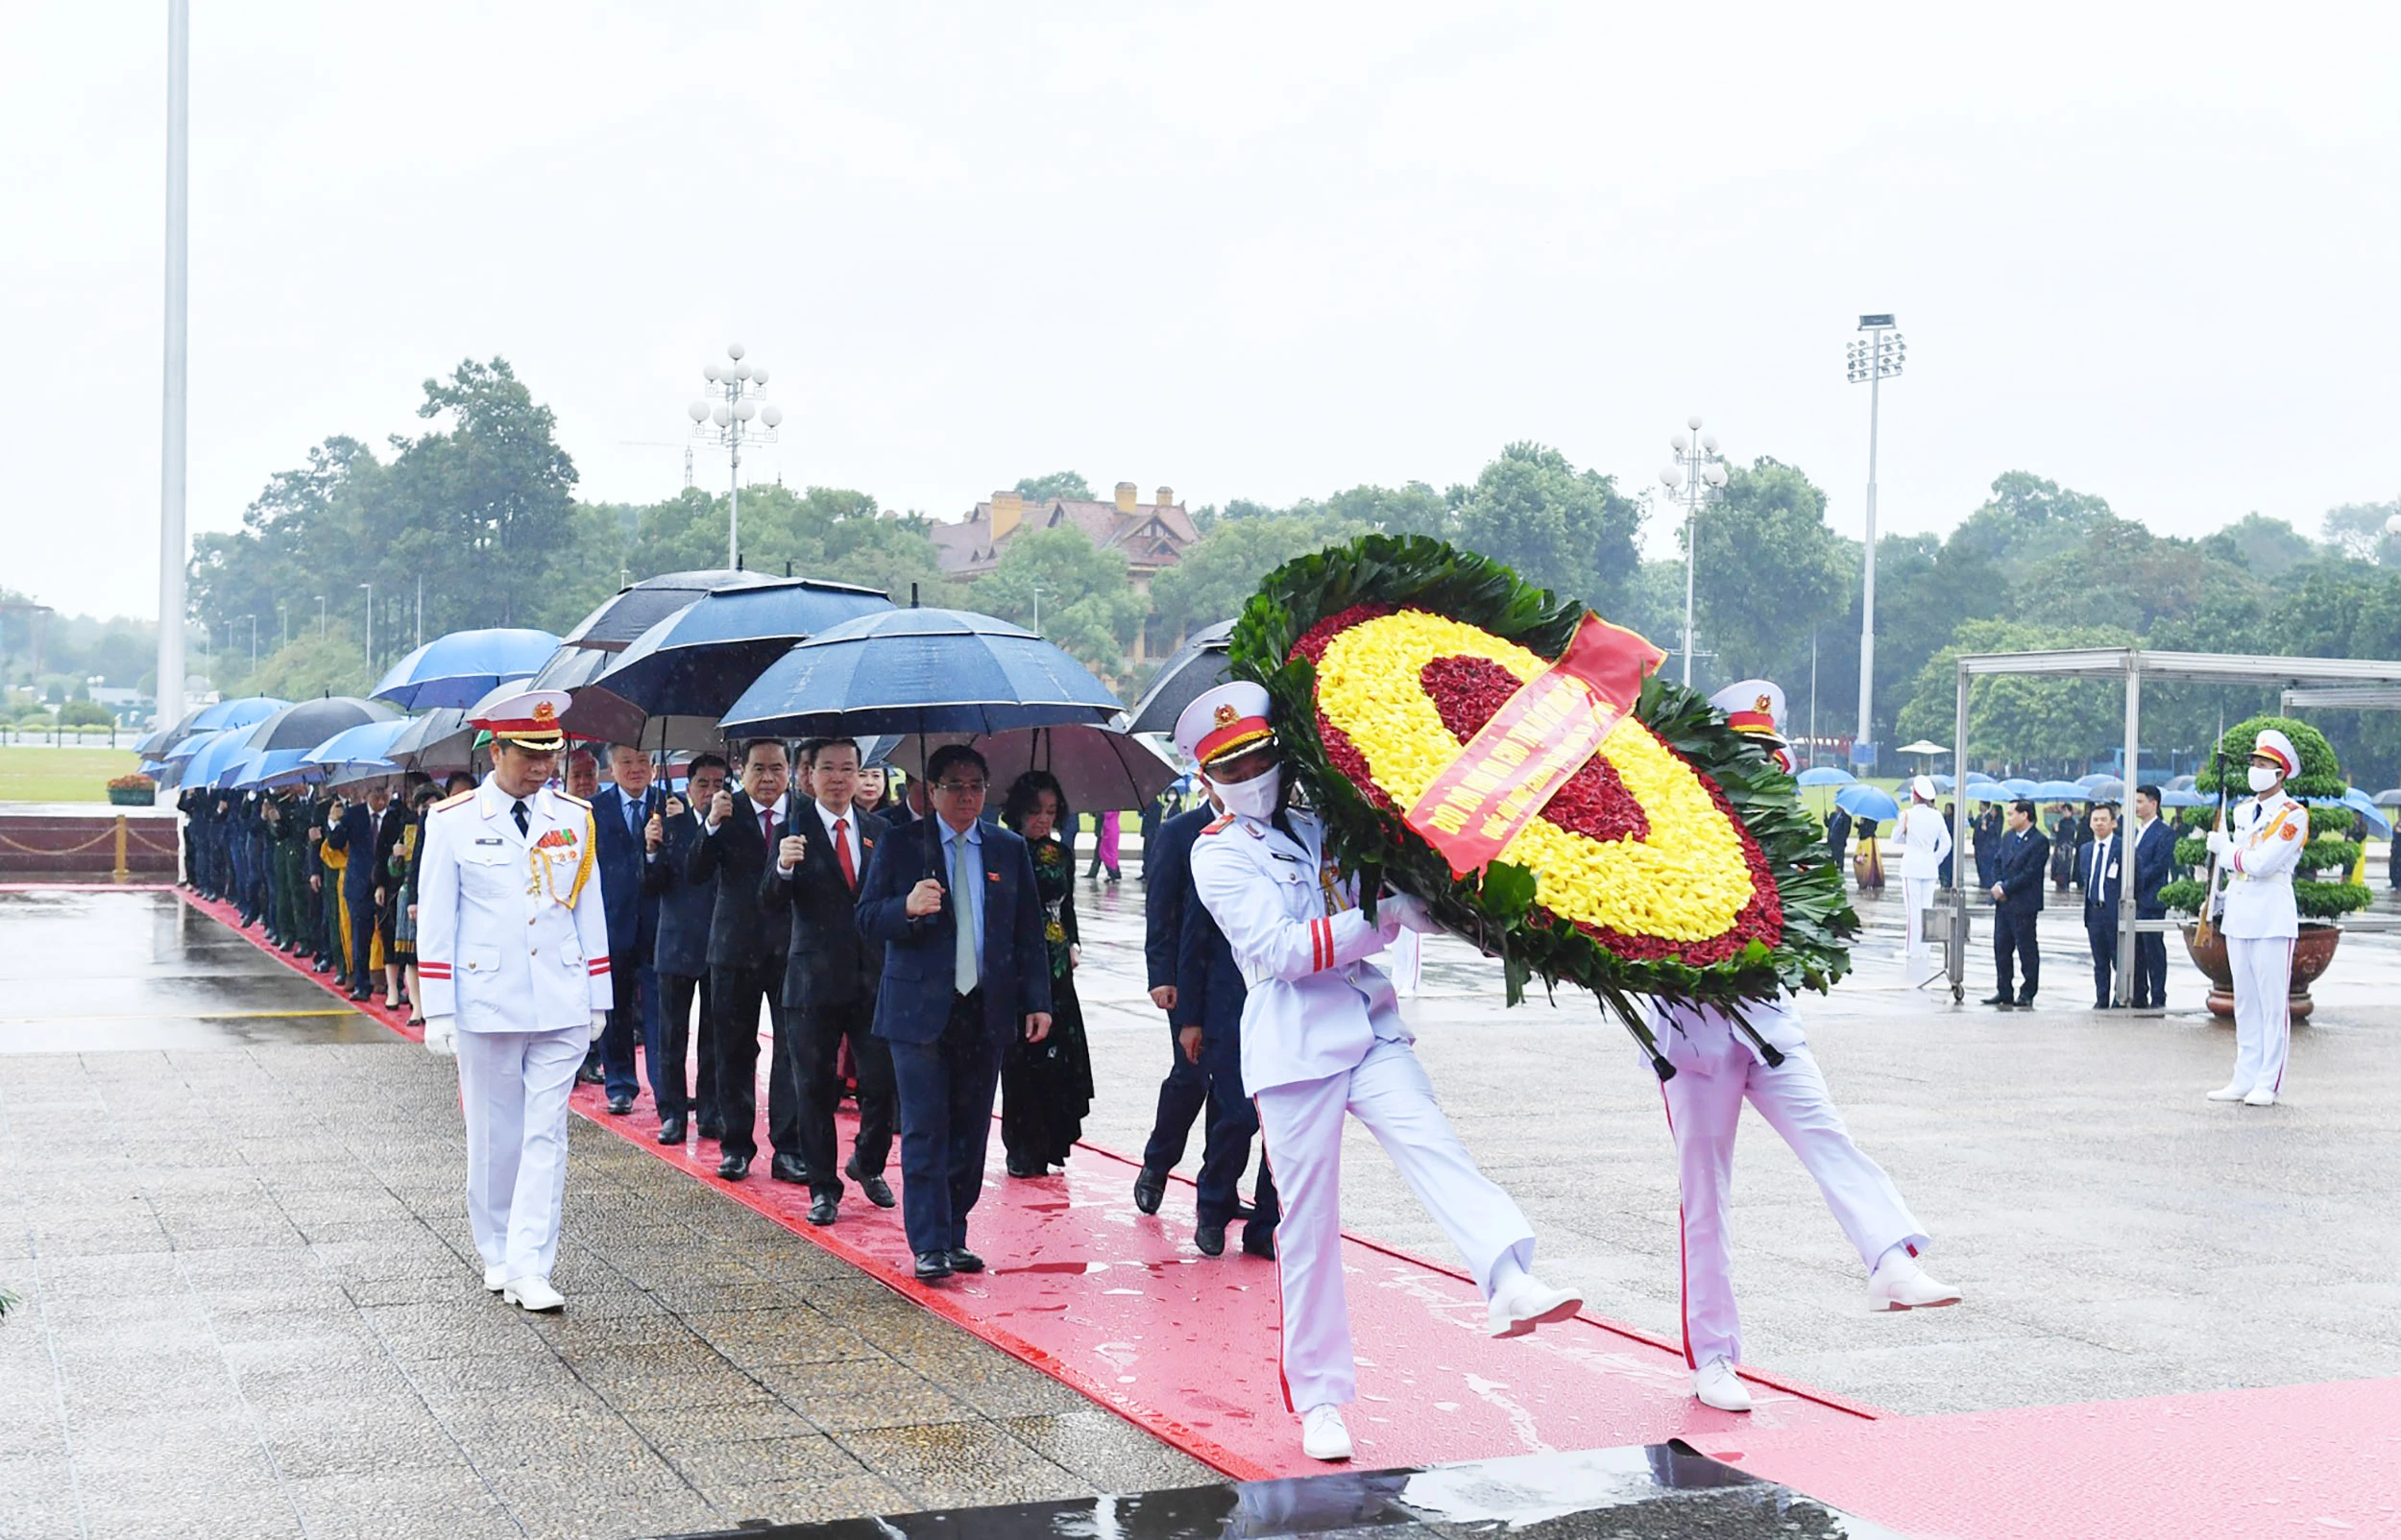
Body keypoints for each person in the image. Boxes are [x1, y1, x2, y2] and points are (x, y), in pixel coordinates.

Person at [1181, 682, 1579, 1464]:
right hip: (1295, 1048)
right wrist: (1384, 917)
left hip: (1368, 1025)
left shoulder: (1324, 819)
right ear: (1207, 782)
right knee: (1307, 1228)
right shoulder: (1217, 851)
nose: (1252, 775)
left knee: (1433, 1142)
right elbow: (1282, 952)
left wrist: (1458, 906)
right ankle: (1322, 1398)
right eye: (1233, 769)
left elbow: (1394, 892)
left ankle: (1506, 1277)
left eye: (1260, 757)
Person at [415, 690, 610, 1312]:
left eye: (549, 754)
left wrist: (597, 995)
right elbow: (438, 920)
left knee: (545, 1134)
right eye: (527, 754)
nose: (541, 767)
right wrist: (440, 1008)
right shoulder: (453, 820)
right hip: (487, 999)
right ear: (494, 750)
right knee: (495, 1135)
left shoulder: (574, 817)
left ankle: (532, 1265)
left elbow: (588, 910)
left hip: (560, 997)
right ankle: (495, 1249)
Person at [856, 743, 1052, 1283]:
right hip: (918, 1012)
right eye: (955, 786)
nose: (966, 796)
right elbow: (868, 919)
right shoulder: (901, 845)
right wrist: (906, 907)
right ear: (932, 791)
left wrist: (1037, 1001)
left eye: (976, 786)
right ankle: (928, 1242)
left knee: (970, 1130)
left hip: (984, 1009)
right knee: (925, 1128)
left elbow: (1027, 933)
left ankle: (955, 1232)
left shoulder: (1007, 849)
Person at [764, 736, 898, 1225]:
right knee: (815, 1089)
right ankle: (824, 1188)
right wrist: (783, 867)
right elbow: (768, 901)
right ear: (809, 775)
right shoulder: (791, 830)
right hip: (812, 980)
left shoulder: (882, 830)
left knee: (882, 1083)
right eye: (829, 769)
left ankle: (867, 1160)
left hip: (872, 979)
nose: (841, 779)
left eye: (849, 769)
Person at [1168, 735, 1277, 1261]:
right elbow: (1195, 936)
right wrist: (1191, 1018)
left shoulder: (1299, 833)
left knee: (1284, 1128)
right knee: (1235, 1115)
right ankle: (1212, 1208)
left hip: (1293, 1007)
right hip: (1231, 1007)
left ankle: (1266, 1226)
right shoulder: (1217, 845)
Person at [689, 738, 800, 1182]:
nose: (768, 778)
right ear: (742, 768)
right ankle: (736, 1145)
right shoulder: (726, 811)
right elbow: (695, 871)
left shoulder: (803, 814)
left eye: (777, 768)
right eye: (759, 768)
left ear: (790, 768)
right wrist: (710, 824)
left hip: (792, 949)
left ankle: (789, 1148)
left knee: (793, 1051)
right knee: (733, 1050)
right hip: (734, 948)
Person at [997, 771, 1096, 1178]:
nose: (1044, 819)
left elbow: (1067, 903)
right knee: (1022, 1056)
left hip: (1057, 962)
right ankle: (1021, 1144)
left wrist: (1073, 942)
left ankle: (1054, 1137)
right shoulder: (1004, 850)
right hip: (1019, 961)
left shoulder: (1062, 854)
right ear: (1019, 811)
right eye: (1036, 811)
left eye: (1052, 812)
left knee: (1060, 1052)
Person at [2204, 730, 2305, 1107]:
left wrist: (2226, 851)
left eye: (2263, 764)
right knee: (2245, 1001)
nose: (2255, 769)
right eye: (2253, 763)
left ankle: (2269, 1081)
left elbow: (2263, 863)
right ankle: (2244, 1076)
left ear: (2280, 773)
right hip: (2241, 911)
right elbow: (2240, 867)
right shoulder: (2243, 811)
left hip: (2272, 915)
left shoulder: (2292, 815)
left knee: (2271, 1004)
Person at [1132, 794, 1215, 1215]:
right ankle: (1157, 1164)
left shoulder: (1263, 826)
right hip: (1188, 977)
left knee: (1234, 1090)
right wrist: (1161, 975)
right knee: (1192, 1076)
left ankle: (1217, 1188)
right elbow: (1160, 906)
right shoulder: (1180, 831)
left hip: (1241, 981)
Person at [646, 754, 725, 1146]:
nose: (710, 792)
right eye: (703, 784)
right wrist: (651, 850)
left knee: (715, 1035)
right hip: (677, 941)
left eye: (717, 784)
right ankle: (673, 1112)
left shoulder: (733, 827)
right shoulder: (670, 826)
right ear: (689, 787)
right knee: (671, 1034)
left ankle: (711, 1112)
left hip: (722, 944)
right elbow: (652, 883)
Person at [591, 744, 667, 1117]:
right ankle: (619, 1084)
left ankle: (665, 1087)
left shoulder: (668, 805)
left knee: (661, 1010)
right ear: (611, 769)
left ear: (653, 766)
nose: (635, 769)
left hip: (659, 925)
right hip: (610, 923)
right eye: (626, 762)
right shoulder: (593, 810)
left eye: (642, 761)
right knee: (615, 1010)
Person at [325, 782, 396, 1001]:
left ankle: (394, 985)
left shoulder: (396, 816)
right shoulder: (354, 815)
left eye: (385, 792)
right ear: (366, 793)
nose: (381, 798)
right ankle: (361, 984)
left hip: (386, 884)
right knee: (360, 936)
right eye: (376, 792)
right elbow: (336, 843)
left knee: (389, 936)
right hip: (359, 885)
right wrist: (333, 821)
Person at [1983, 799, 2049, 1009]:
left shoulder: (2039, 841)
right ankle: (2004, 990)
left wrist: (2006, 888)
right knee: (2001, 948)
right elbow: (1997, 862)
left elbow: (2030, 873)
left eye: (2012, 814)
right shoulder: (2008, 837)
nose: (2009, 818)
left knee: (2026, 949)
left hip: (2024, 904)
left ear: (2025, 815)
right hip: (2003, 905)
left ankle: (2028, 992)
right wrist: (1996, 884)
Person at [1892, 774, 1952, 985]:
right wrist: (1934, 860)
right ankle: (1924, 949)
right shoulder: (1937, 817)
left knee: (1913, 912)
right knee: (1927, 911)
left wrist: (1906, 831)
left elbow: (1895, 838)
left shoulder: (1906, 814)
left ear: (1915, 796)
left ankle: (1911, 949)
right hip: (1928, 865)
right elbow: (1946, 844)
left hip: (1911, 866)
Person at [391, 782, 439, 1029]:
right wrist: (396, 856)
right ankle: (416, 1005)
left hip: (438, 895)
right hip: (412, 895)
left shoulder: (446, 825)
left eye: (433, 804)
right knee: (411, 956)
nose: (429, 809)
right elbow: (396, 869)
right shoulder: (409, 827)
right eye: (424, 805)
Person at [2129, 785, 2174, 1009]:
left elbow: (2158, 866)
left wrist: (2133, 882)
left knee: (2153, 948)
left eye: (2139, 801)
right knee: (2134, 949)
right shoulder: (2133, 831)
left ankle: (2158, 995)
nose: (2135, 806)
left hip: (2150, 899)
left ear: (2153, 804)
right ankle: (2139, 994)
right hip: (2132, 902)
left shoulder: (2164, 833)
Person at [2078, 802, 2125, 1009]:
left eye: (2103, 820)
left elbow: (2135, 880)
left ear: (2113, 823)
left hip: (2113, 911)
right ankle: (2101, 998)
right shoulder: (2086, 849)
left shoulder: (2122, 848)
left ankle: (2120, 997)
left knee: (2119, 959)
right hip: (2093, 912)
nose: (2099, 824)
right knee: (2099, 960)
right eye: (2095, 820)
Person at [1085, 807, 1122, 883]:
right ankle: (1112, 872)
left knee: (1108, 852)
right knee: (1104, 851)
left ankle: (1113, 873)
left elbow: (1107, 814)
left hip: (1109, 829)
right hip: (1107, 828)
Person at [1826, 803, 1852, 875]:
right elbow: (1828, 824)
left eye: (1839, 806)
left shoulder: (1846, 818)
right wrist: (1825, 818)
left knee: (1839, 860)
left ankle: (1840, 874)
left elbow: (1846, 831)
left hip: (1839, 843)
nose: (1837, 807)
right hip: (1830, 841)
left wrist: (1841, 841)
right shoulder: (1833, 815)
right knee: (1830, 859)